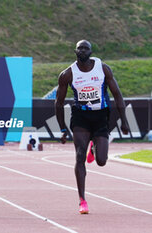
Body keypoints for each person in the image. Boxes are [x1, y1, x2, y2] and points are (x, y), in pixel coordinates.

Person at [55, 40, 129, 214]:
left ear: (91, 51)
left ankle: (94, 149)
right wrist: (63, 129)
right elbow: (58, 103)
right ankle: (82, 200)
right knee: (79, 156)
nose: (82, 50)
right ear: (75, 51)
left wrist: (124, 120)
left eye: (85, 48)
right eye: (79, 48)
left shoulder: (102, 68)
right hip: (80, 117)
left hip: (101, 116)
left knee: (101, 161)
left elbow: (117, 95)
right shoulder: (67, 74)